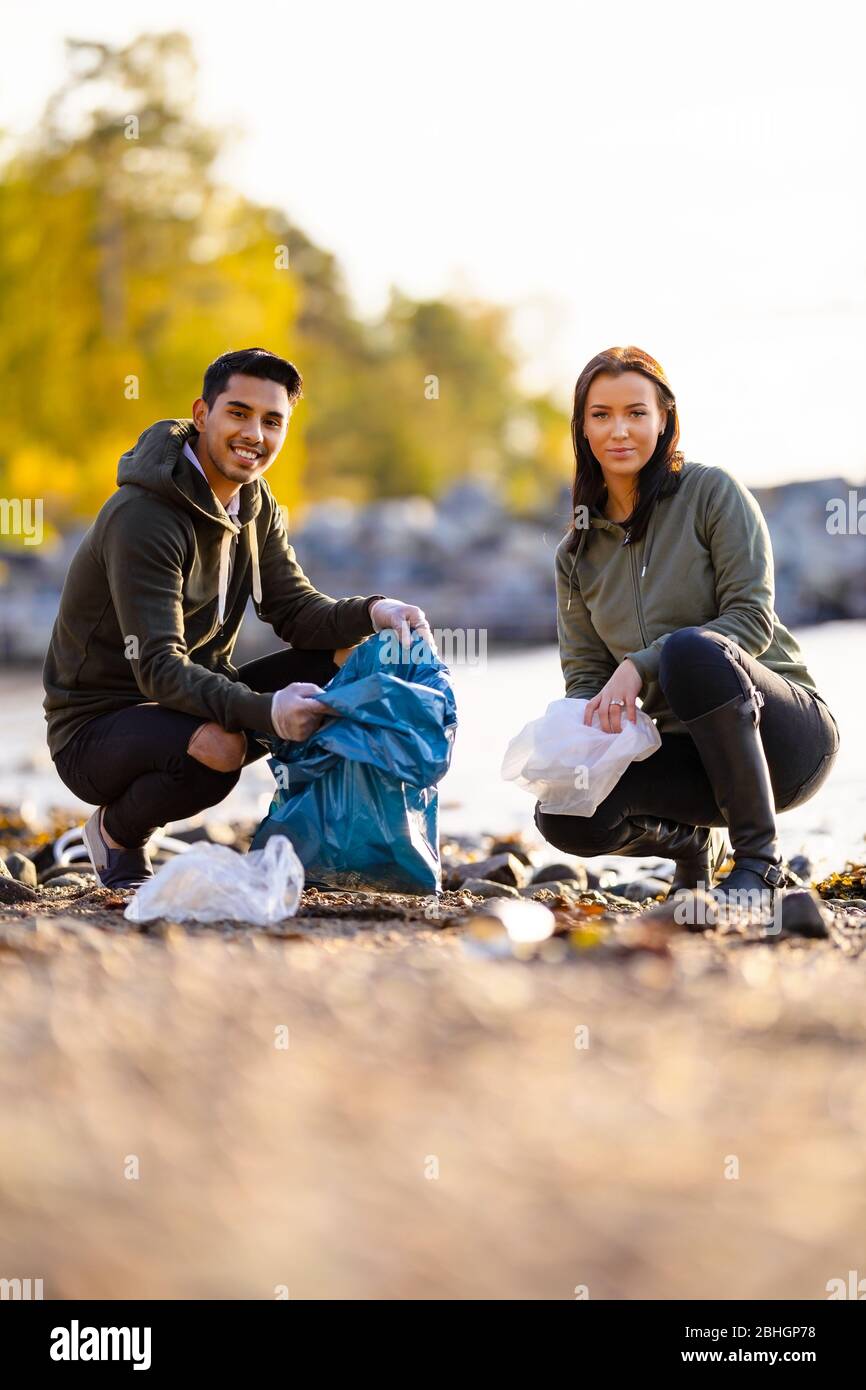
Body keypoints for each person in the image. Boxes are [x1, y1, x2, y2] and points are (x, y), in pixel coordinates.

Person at [43, 347, 432, 890]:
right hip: (97, 727)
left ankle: (339, 830)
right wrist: (268, 712)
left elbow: (294, 611)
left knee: (351, 658)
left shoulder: (255, 501)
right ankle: (116, 834)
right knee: (220, 749)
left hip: (188, 698)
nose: (254, 433)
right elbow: (157, 666)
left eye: (272, 421)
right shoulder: (144, 517)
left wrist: (376, 611)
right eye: (239, 413)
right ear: (203, 415)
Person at [535, 345, 840, 909]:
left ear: (664, 417)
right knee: (563, 811)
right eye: (601, 415)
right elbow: (584, 677)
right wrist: (579, 742)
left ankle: (758, 861)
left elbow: (751, 618)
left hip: (785, 743)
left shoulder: (710, 493)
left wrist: (639, 665)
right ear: (581, 427)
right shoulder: (575, 553)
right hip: (686, 757)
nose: (619, 430)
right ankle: (691, 846)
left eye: (636, 412)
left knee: (692, 651)